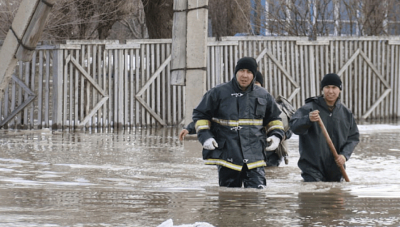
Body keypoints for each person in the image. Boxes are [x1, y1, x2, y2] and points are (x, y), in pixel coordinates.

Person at [192, 57, 285, 188]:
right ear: (236, 72)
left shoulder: (264, 95)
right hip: (228, 155)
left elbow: (274, 119)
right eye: (242, 70)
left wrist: (276, 136)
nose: (245, 75)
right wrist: (205, 137)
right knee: (229, 199)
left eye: (249, 72)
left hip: (255, 155)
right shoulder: (218, 93)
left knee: (257, 198)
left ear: (254, 75)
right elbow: (200, 115)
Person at [289, 73, 360, 182]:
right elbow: (293, 127)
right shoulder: (309, 108)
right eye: (327, 87)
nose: (330, 91)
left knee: (335, 194)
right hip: (312, 170)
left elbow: (353, 137)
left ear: (340, 89)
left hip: (337, 171)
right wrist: (308, 119)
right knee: (316, 194)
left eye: (334, 87)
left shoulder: (346, 113)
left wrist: (344, 156)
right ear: (322, 89)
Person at [254, 71, 294, 167]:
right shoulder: (239, 105)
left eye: (256, 84)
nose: (254, 88)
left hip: (271, 154)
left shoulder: (272, 105)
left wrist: (282, 135)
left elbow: (290, 126)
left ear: (262, 86)